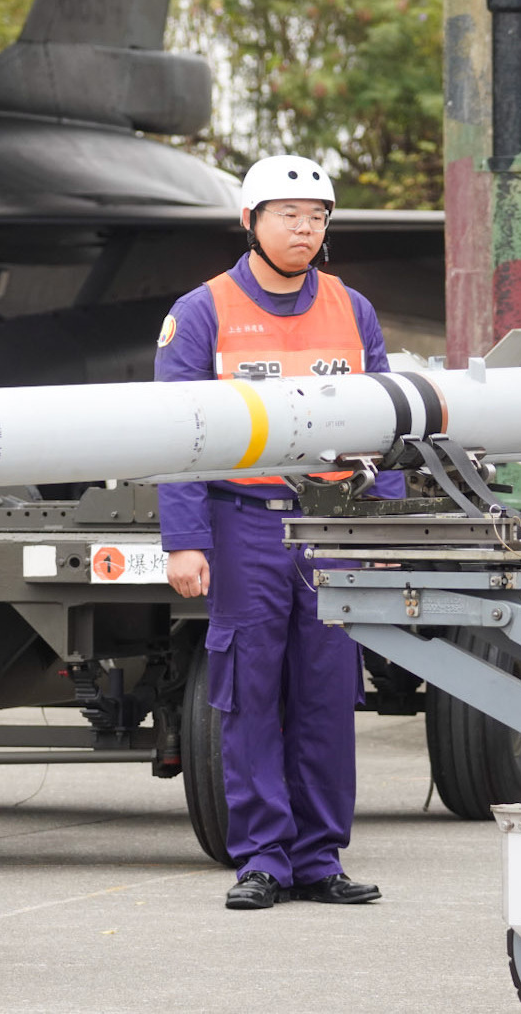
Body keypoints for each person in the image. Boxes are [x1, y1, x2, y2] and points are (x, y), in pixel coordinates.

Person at [156, 155, 400, 911]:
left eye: (317, 216)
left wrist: (386, 531)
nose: (304, 228)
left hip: (333, 525)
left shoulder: (353, 310)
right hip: (245, 526)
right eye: (288, 214)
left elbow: (390, 422)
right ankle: (262, 855)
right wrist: (185, 540)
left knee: (328, 693)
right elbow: (174, 433)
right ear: (251, 222)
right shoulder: (203, 311)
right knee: (249, 692)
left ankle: (320, 857)